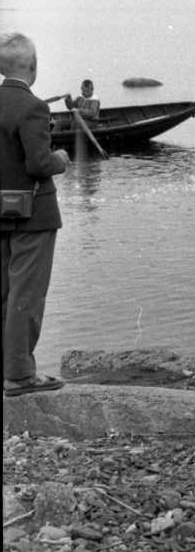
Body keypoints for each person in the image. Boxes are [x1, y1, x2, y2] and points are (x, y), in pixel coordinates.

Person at [0, 33, 69, 397]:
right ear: (32, 66)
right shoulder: (34, 107)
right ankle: (19, 375)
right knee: (27, 294)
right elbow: (39, 163)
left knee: (5, 293)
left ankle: (7, 369)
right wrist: (60, 160)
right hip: (33, 216)